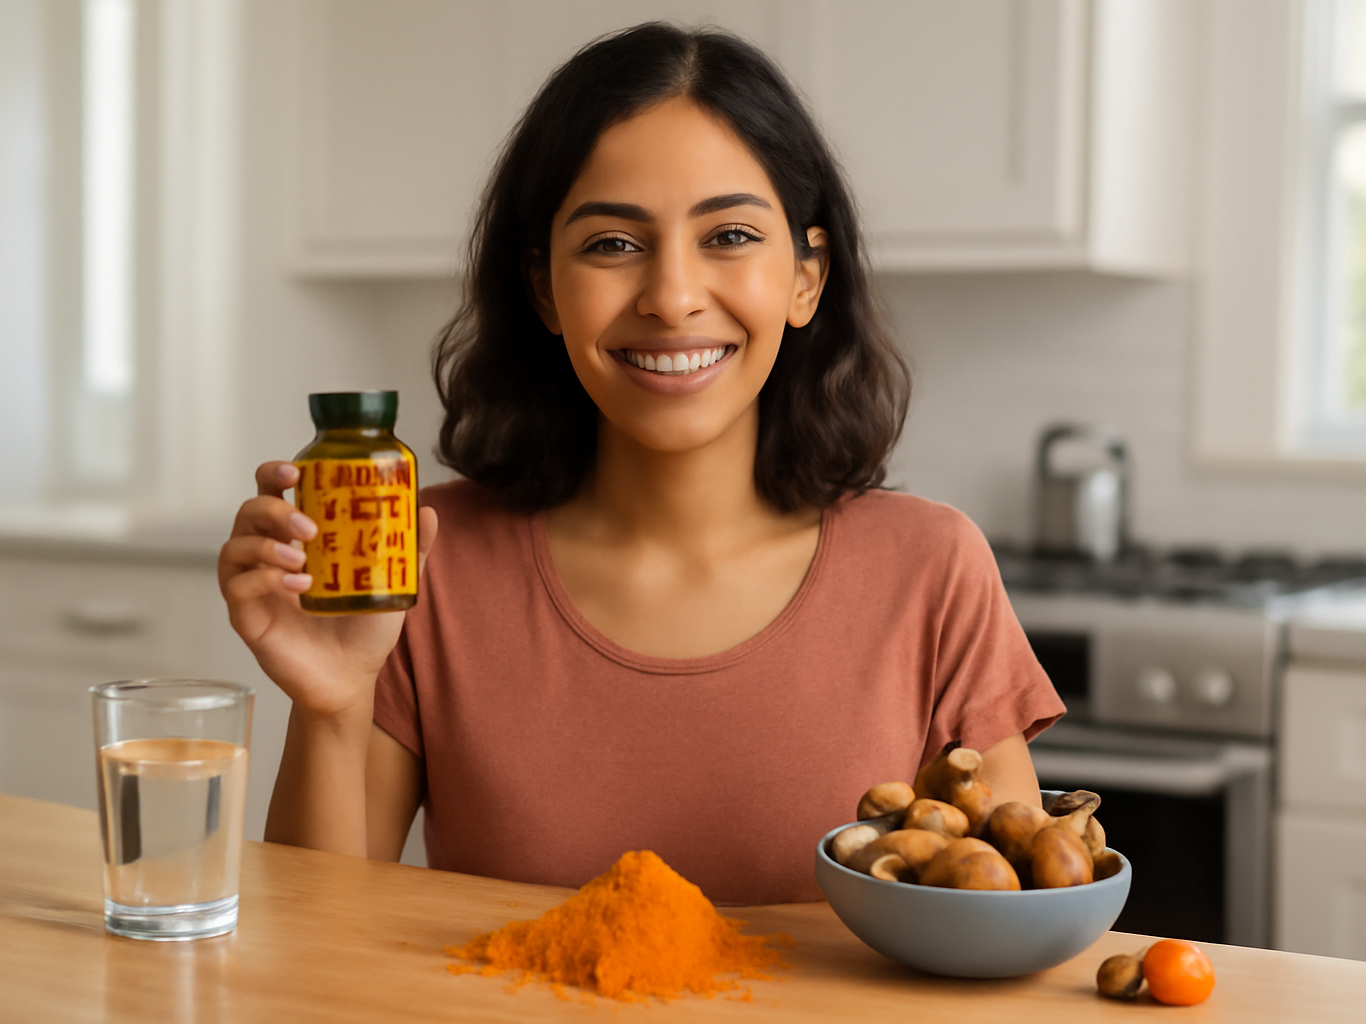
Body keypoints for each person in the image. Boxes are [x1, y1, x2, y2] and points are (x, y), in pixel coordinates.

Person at [218, 23, 1064, 905]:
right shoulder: (422, 561)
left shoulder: (931, 570)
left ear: (807, 278)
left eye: (730, 235)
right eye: (613, 244)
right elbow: (314, 957)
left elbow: (1007, 930)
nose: (671, 297)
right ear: (544, 285)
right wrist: (329, 703)